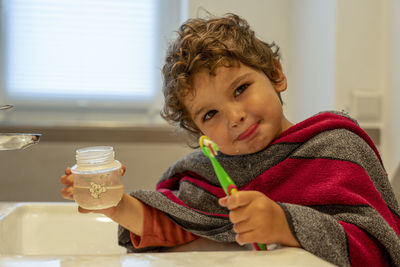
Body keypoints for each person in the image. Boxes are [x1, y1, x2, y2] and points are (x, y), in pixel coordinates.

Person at [61, 13, 400, 266]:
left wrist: (285, 223)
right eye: (210, 115)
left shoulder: (335, 148)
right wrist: (115, 205)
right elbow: (177, 227)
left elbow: (381, 249)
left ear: (275, 74)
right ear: (200, 134)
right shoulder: (208, 176)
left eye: (240, 89)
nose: (234, 117)